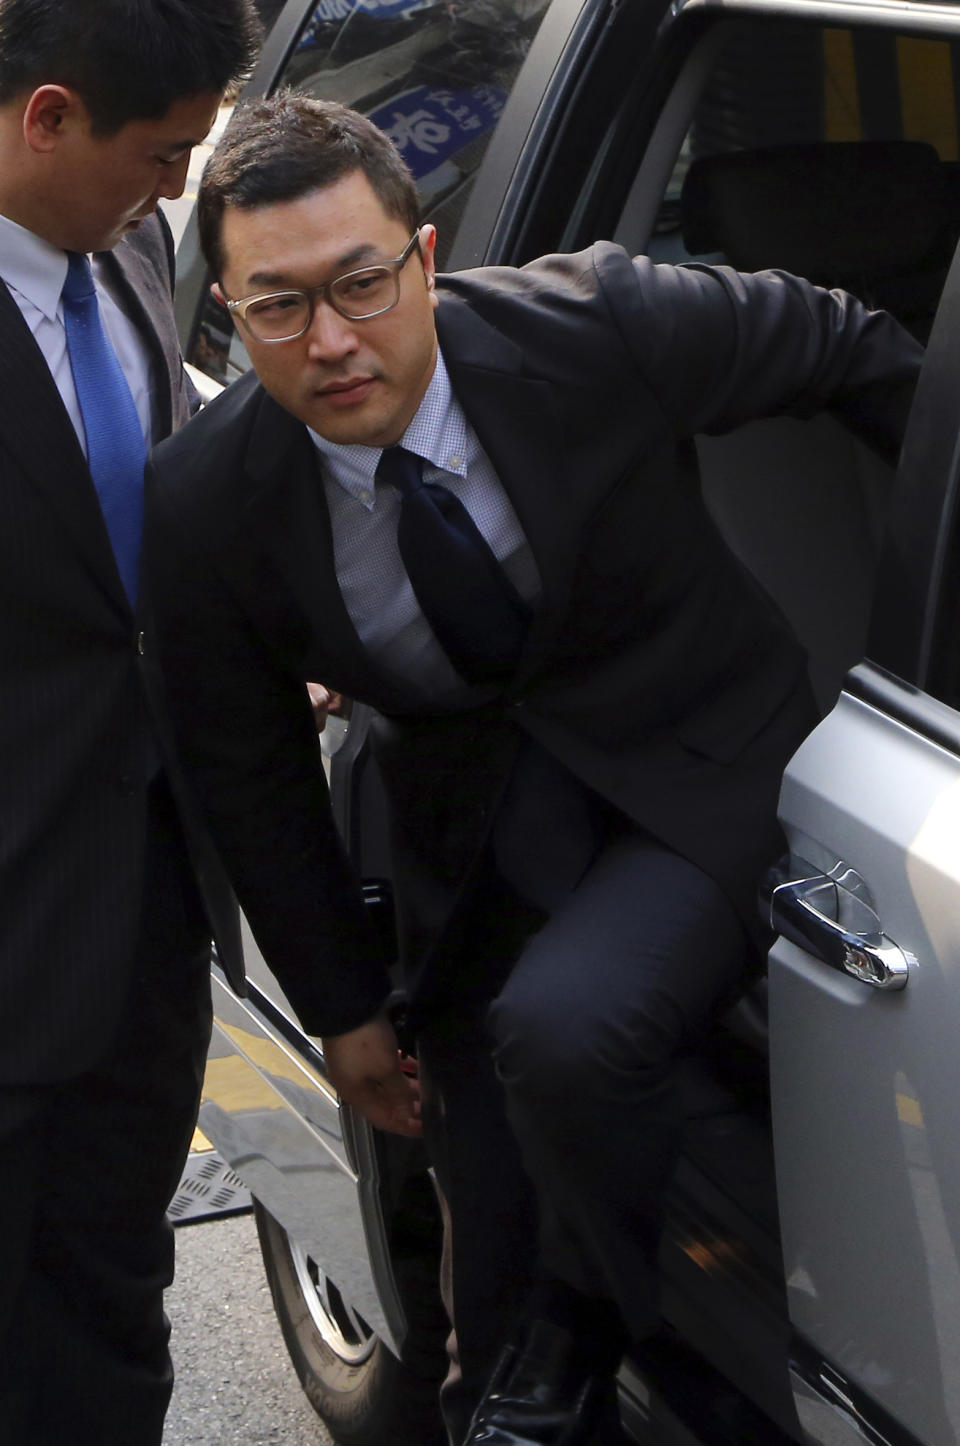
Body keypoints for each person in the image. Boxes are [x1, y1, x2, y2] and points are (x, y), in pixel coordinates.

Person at [146, 93, 923, 1446]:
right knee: (484, 1316)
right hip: (478, 838)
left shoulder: (599, 323)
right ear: (225, 305)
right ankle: (541, 1347)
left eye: (361, 284)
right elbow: (246, 767)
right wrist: (340, 1006)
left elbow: (849, 345)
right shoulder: (209, 498)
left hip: (695, 765)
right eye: (277, 308)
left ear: (426, 257)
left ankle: (585, 1323)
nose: (330, 341)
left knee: (566, 1033)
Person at [0, 2, 261, 1442]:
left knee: (107, 1309)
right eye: (158, 156)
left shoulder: (134, 249)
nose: (177, 191)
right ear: (48, 117)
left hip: (140, 913)